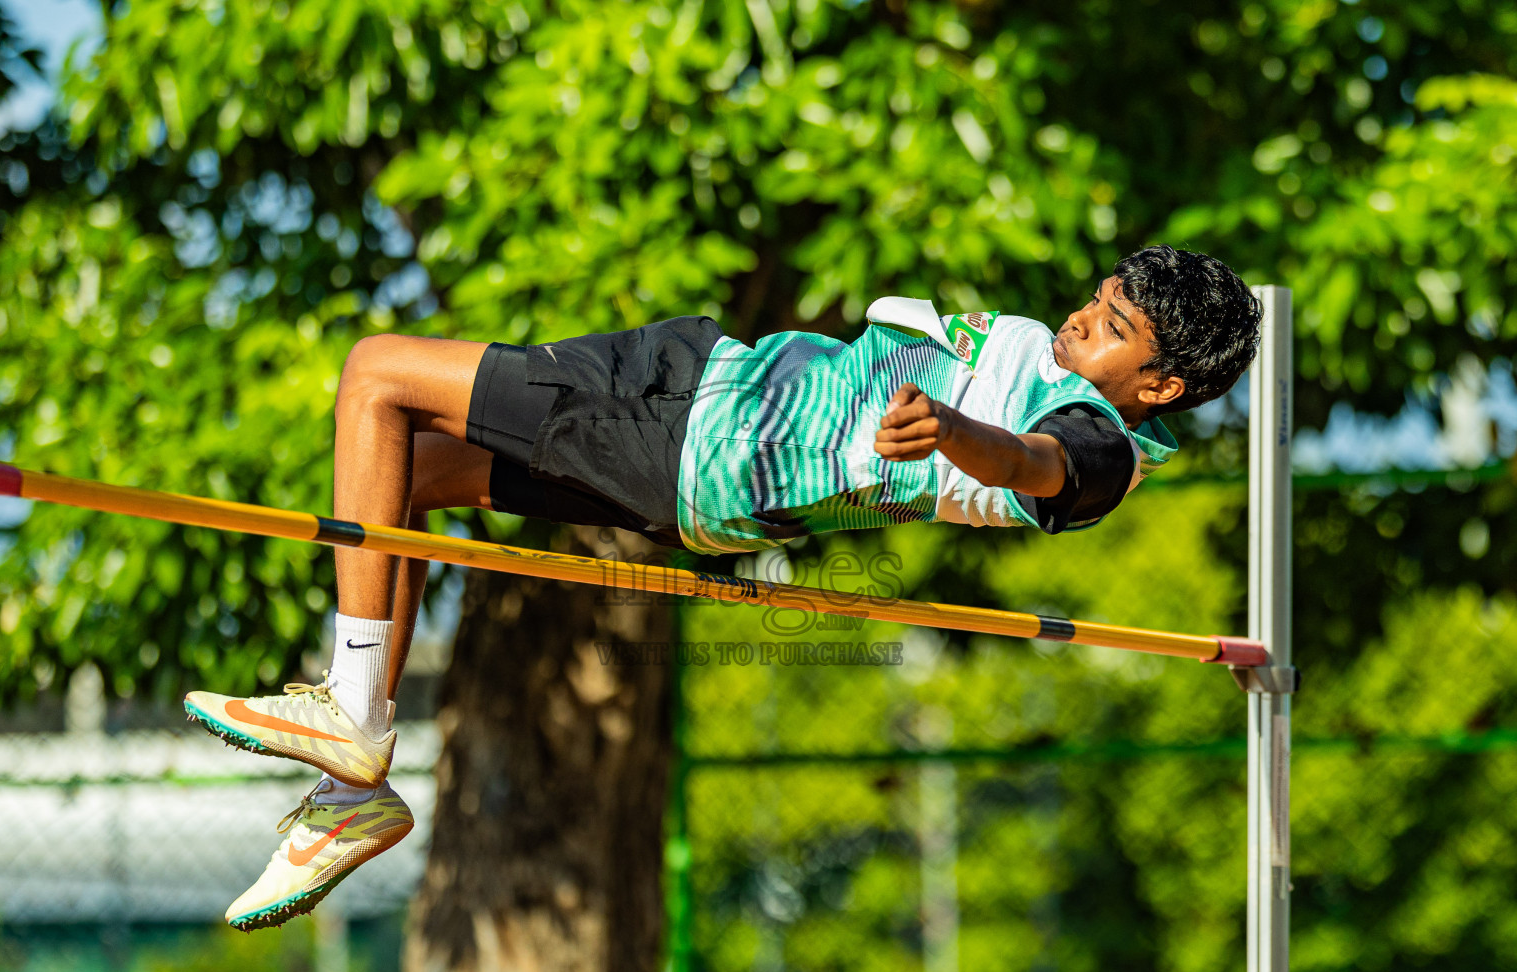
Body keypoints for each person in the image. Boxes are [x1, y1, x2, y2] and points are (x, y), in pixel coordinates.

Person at [183, 243, 1262, 930]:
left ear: (1161, 385)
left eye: (1112, 329)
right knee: (410, 472)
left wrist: (952, 432)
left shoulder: (1103, 445)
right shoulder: (1064, 362)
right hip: (709, 376)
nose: (1082, 321)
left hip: (708, 446)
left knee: (376, 373)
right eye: (1097, 299)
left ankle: (353, 715)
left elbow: (1034, 463)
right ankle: (353, 794)